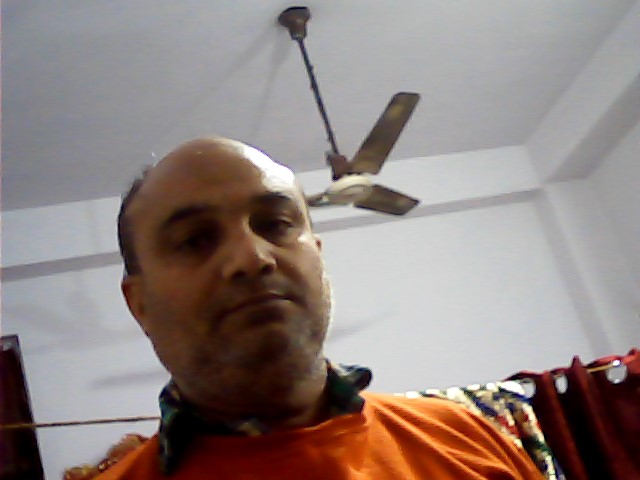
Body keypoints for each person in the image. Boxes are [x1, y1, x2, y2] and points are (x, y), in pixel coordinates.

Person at [100, 136, 544, 479]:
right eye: (195, 240)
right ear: (140, 304)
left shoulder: (464, 436)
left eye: (275, 223)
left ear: (317, 255)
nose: (252, 257)